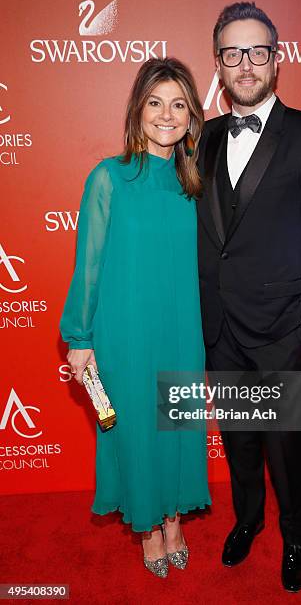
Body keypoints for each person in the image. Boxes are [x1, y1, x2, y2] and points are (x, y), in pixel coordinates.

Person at [197, 2, 301, 592]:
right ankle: (248, 520)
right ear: (219, 64)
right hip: (220, 326)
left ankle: (293, 537)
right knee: (238, 440)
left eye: (258, 51)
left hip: (284, 326)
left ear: (276, 59)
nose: (246, 63)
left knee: (284, 445)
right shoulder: (202, 139)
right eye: (233, 53)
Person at [60, 57, 211, 578]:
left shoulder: (195, 186)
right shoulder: (109, 178)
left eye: (178, 105)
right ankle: (148, 528)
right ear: (137, 109)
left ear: (192, 116)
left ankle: (173, 520)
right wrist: (79, 338)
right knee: (138, 432)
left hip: (182, 333)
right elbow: (90, 265)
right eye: (155, 103)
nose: (166, 116)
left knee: (177, 428)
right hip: (125, 333)